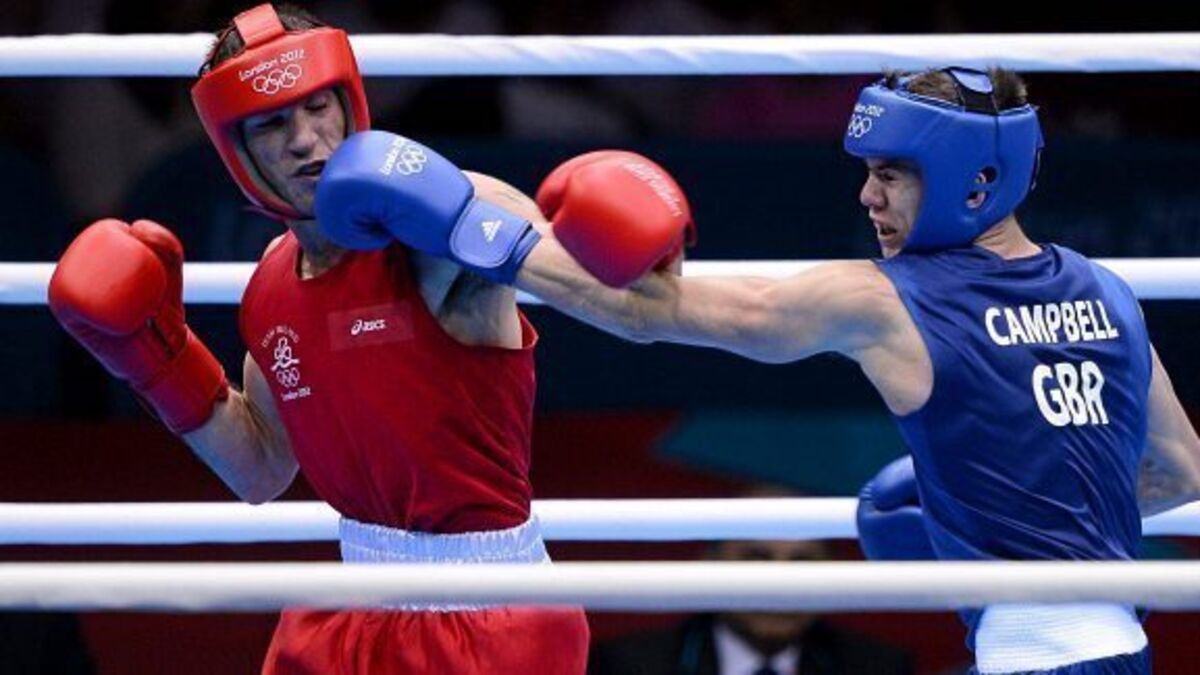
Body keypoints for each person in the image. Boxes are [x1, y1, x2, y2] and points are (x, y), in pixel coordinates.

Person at [322, 66, 1200, 674]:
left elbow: (652, 312)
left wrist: (475, 228)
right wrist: (991, 517)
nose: (867, 197)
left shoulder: (887, 299)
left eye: (892, 175)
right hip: (1124, 649)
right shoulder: (1110, 293)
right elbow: (1179, 473)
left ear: (974, 183)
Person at [46, 4, 590, 674]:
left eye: (317, 107)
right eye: (273, 123)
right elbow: (261, 468)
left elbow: (587, 281)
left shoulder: (437, 228)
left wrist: (627, 261)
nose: (306, 140)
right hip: (353, 601)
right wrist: (158, 360)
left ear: (350, 104)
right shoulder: (272, 284)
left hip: (490, 607)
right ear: (239, 153)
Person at [589, 536, 914, 675]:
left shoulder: (877, 668)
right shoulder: (633, 665)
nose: (778, 580)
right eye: (757, 557)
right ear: (709, 565)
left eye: (801, 561)